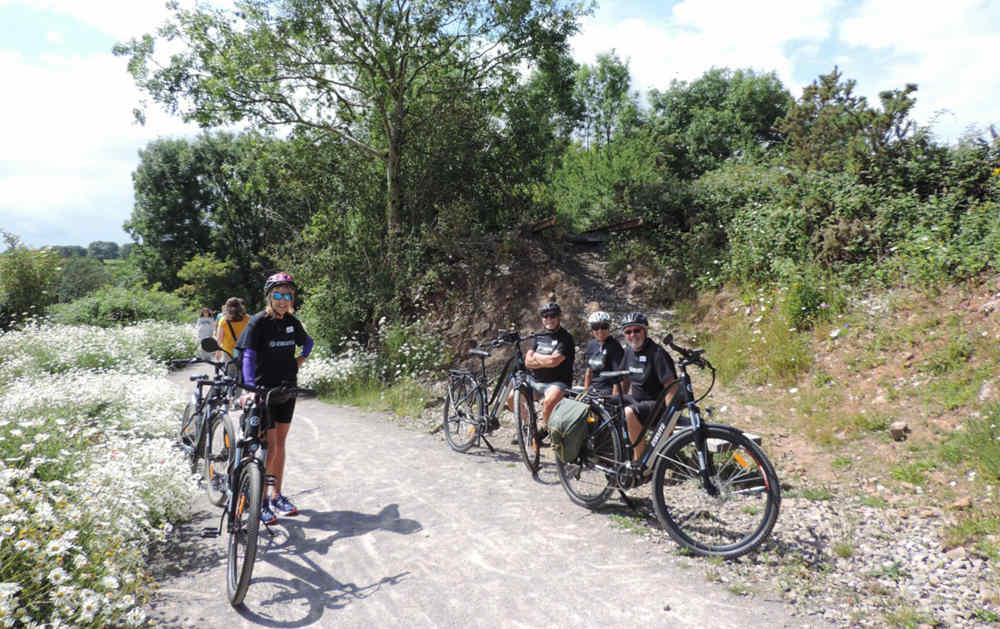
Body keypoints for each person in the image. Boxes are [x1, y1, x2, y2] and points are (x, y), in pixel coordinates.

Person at [237, 272, 314, 525]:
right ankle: (258, 502)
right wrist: (249, 388)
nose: (283, 300)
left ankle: (276, 495)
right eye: (278, 295)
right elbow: (248, 355)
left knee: (280, 444)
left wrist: (299, 361)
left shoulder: (292, 321)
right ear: (270, 296)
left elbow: (308, 343)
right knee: (268, 446)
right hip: (263, 391)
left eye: (287, 295)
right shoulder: (258, 322)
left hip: (287, 390)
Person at [617, 311, 681, 465]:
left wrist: (669, 420)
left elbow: (671, 386)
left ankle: (640, 460)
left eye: (636, 330)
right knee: (603, 402)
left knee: (628, 412)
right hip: (637, 400)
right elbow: (623, 381)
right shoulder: (628, 351)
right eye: (628, 332)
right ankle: (613, 448)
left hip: (656, 404)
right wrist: (616, 399)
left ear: (645, 331)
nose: (632, 335)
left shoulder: (657, 353)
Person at [509, 302, 575, 442]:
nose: (549, 319)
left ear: (559, 317)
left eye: (552, 316)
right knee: (511, 398)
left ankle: (543, 432)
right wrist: (544, 360)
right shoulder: (539, 336)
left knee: (549, 402)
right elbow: (528, 361)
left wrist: (537, 358)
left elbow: (554, 362)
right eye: (545, 316)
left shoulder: (565, 338)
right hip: (535, 381)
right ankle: (527, 427)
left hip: (557, 383)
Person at [582, 310, 624, 396]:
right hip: (592, 390)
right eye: (596, 327)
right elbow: (588, 372)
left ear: (609, 327)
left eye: (604, 326)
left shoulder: (615, 347)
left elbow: (618, 377)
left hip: (607, 392)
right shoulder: (591, 345)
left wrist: (614, 399)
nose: (600, 331)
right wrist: (585, 392)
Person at [215, 297, 249, 379]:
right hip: (243, 351)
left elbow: (219, 338)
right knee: (241, 375)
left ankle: (232, 391)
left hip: (228, 352)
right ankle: (238, 390)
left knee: (230, 376)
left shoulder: (224, 320)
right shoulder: (247, 319)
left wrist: (218, 351)